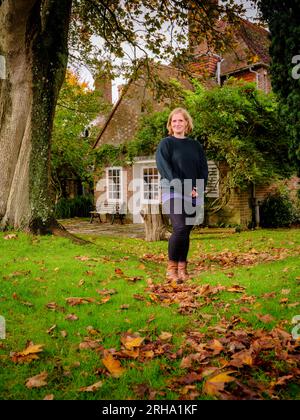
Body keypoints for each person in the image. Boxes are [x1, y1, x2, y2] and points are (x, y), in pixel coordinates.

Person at [155, 108, 208, 283]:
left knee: (186, 231)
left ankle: (182, 268)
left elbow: (203, 170)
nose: (177, 124)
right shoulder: (166, 144)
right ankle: (171, 268)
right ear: (170, 125)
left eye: (181, 120)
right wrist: (182, 187)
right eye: (174, 121)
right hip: (172, 190)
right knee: (179, 227)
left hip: (193, 193)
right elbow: (165, 169)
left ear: (187, 123)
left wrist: (198, 189)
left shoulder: (196, 146)